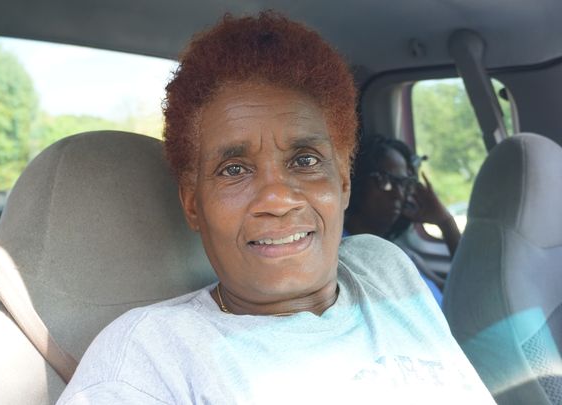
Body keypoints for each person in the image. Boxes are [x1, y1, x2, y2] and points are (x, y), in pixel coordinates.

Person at [57, 12, 493, 404]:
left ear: (342, 180)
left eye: (305, 161)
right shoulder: (149, 358)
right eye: (234, 169)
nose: (278, 199)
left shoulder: (384, 268)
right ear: (193, 204)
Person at [344, 135, 461, 306]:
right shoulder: (345, 254)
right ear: (356, 180)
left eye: (404, 184)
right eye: (386, 181)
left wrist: (445, 222)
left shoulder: (402, 253)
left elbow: (457, 293)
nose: (398, 194)